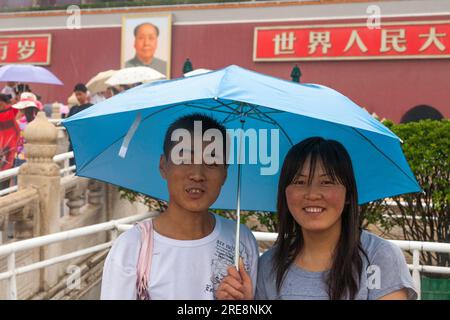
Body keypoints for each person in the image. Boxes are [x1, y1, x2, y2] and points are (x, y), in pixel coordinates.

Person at [216, 137, 417, 300]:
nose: (312, 194)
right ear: (285, 193)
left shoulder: (378, 257)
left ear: (348, 194)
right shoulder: (269, 265)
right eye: (300, 182)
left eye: (326, 182)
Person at [100, 113, 259, 300]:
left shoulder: (241, 242)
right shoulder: (131, 248)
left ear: (225, 173)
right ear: (163, 166)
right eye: (184, 159)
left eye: (212, 162)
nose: (197, 174)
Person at [11, 92, 39, 167]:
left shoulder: (18, 123)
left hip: (20, 155)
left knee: (18, 177)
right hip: (34, 155)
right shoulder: (37, 121)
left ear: (22, 109)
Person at [0, 93, 20, 188]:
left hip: (8, 152)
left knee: (5, 179)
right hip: (8, 152)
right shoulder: (13, 111)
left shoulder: (12, 111)